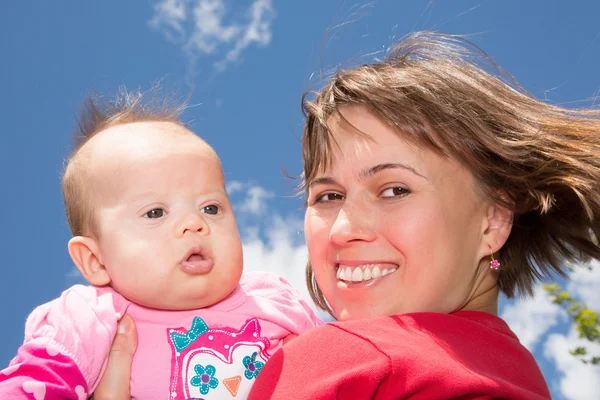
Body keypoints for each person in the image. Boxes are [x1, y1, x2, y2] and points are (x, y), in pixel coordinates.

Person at [86, 31, 600, 400]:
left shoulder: (344, 358)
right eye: (327, 197)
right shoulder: (516, 373)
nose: (345, 230)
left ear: (493, 221)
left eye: (394, 189)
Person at [0, 92, 321, 400]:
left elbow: (351, 368)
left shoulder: (275, 301)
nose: (194, 224)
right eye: (155, 212)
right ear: (95, 261)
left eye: (210, 208)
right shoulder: (89, 320)